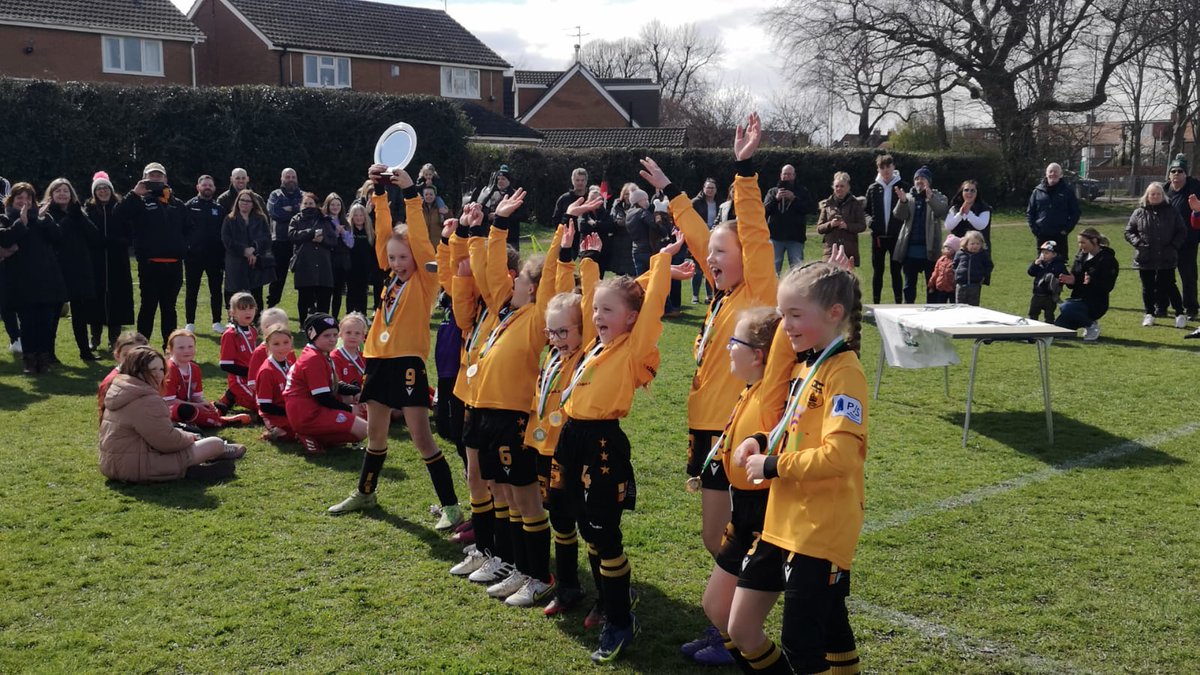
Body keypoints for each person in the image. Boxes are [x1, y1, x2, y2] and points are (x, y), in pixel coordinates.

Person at [641, 112, 777, 662]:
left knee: (733, 537)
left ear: (745, 256)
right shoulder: (722, 297)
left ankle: (734, 627)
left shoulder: (756, 292)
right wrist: (673, 193)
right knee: (713, 535)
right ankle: (724, 623)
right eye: (711, 255)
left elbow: (754, 234)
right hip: (705, 431)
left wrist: (744, 171)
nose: (711, 260)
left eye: (723, 253)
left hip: (736, 432)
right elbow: (699, 236)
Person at [729, 261, 867, 675]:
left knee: (803, 647)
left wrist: (771, 464)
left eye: (794, 315)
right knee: (741, 627)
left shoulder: (845, 373)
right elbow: (794, 425)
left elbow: (839, 456)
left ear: (834, 314)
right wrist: (761, 439)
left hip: (819, 529)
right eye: (782, 313)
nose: (784, 326)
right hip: (781, 521)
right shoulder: (807, 365)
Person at [555, 231, 674, 664]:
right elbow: (594, 294)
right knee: (578, 518)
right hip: (571, 436)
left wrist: (661, 261)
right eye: (595, 309)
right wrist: (589, 258)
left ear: (630, 319)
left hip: (603, 442)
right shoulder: (595, 343)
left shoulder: (631, 349)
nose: (597, 315)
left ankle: (620, 618)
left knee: (605, 532)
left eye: (608, 311)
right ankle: (609, 597)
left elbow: (653, 303)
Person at [326, 165, 461, 530]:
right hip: (378, 361)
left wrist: (411, 194)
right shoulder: (389, 276)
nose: (399, 263)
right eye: (395, 258)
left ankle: (451, 506)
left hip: (407, 364)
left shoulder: (425, 280)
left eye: (404, 258)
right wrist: (380, 193)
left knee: (421, 437)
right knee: (376, 434)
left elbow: (418, 240)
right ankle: (366, 492)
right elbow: (384, 234)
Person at [452, 189, 563, 607]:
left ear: (533, 290)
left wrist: (561, 241)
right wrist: (493, 225)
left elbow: (553, 280)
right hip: (484, 407)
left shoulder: (537, 317)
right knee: (498, 489)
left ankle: (536, 574)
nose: (508, 280)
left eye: (520, 280)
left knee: (522, 495)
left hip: (513, 413)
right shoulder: (504, 310)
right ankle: (506, 560)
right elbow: (488, 268)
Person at [690, 306, 781, 667]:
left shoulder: (774, 392)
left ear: (759, 355)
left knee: (742, 625)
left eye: (734, 342)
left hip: (766, 513)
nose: (727, 347)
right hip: (741, 511)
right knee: (715, 607)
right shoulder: (750, 388)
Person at [529, 226, 600, 616]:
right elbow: (550, 298)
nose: (557, 338)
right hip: (545, 446)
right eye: (551, 332)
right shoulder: (553, 354)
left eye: (564, 332)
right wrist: (563, 254)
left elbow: (587, 304)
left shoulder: (585, 352)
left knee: (587, 523)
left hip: (574, 450)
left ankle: (608, 595)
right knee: (559, 519)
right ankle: (569, 587)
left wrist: (585, 263)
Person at [99, 346, 246, 483]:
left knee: (186, 432)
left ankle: (207, 459)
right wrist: (190, 438)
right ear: (137, 371)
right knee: (214, 442)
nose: (158, 374)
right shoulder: (146, 400)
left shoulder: (120, 390)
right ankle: (213, 454)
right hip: (138, 467)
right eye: (152, 370)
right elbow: (167, 442)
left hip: (112, 464)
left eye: (161, 369)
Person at [116, 162, 187, 344]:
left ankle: (170, 347)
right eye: (151, 175)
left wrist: (184, 249)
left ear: (165, 179)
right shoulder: (139, 202)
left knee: (169, 309)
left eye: (159, 175)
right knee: (148, 307)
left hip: (174, 265)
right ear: (144, 178)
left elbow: (188, 229)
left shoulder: (177, 204)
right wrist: (134, 193)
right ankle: (142, 347)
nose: (155, 179)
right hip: (150, 265)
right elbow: (119, 215)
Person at [0, 182, 67, 375]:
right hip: (21, 281)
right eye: (19, 198)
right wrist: (21, 223)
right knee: (28, 323)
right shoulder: (5, 218)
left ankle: (43, 359)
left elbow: (58, 237)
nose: (24, 202)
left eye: (27, 198)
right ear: (12, 200)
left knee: (45, 322)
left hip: (46, 279)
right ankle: (29, 360)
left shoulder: (42, 218)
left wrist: (44, 220)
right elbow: (4, 239)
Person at [283, 313, 368, 454]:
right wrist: (349, 409)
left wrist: (356, 391)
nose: (333, 339)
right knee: (363, 429)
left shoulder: (320, 353)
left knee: (360, 421)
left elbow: (333, 385)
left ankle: (317, 437)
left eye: (335, 335)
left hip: (311, 409)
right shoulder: (313, 359)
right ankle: (308, 434)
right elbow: (322, 397)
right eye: (327, 336)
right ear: (313, 336)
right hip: (308, 413)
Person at [41, 178, 103, 362]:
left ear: (71, 194)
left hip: (79, 270)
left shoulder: (79, 213)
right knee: (53, 315)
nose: (62, 194)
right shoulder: (46, 213)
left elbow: (95, 236)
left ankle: (85, 351)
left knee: (80, 314)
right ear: (51, 194)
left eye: (65, 191)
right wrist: (71, 218)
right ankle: (49, 353)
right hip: (56, 270)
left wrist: (79, 217)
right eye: (58, 190)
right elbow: (56, 235)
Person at [85, 172, 135, 352]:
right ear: (94, 192)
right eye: (99, 189)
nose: (103, 191)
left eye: (105, 188)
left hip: (117, 261)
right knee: (95, 300)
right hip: (95, 262)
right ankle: (95, 338)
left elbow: (130, 234)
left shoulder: (120, 208)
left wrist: (115, 242)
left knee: (118, 300)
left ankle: (114, 340)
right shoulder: (88, 210)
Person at [1125, 182, 1187, 328]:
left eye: (1158, 194)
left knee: (1170, 285)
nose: (1155, 196)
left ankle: (1179, 313)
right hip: (1145, 256)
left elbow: (1181, 231)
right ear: (1147, 196)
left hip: (1167, 255)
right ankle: (1149, 313)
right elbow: (1129, 231)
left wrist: (1173, 246)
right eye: (1152, 194)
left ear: (1163, 196)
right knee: (1147, 286)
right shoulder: (1139, 212)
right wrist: (1138, 243)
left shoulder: (1172, 211)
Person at [161, 329, 250, 428]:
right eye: (181, 348)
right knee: (184, 410)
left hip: (189, 405)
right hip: (167, 408)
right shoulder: (169, 369)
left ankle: (207, 418)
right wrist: (197, 406)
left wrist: (205, 405)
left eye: (190, 347)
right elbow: (169, 401)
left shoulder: (194, 368)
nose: (186, 350)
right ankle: (221, 422)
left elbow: (196, 398)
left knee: (218, 407)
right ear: (171, 349)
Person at [892, 166, 948, 303]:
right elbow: (899, 215)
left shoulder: (938, 196)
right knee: (909, 287)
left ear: (929, 181)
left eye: (922, 178)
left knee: (932, 287)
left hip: (930, 251)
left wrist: (930, 198)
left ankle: (931, 315)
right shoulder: (908, 197)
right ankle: (908, 314)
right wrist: (903, 202)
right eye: (916, 178)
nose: (919, 181)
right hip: (910, 251)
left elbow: (941, 212)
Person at [1054, 227, 1119, 341]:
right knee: (1058, 329)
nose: (1080, 245)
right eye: (1079, 242)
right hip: (1077, 300)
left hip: (1096, 303)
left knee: (1065, 306)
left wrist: (1092, 282)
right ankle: (1083, 322)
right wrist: (1071, 280)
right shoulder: (1081, 256)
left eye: (1083, 242)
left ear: (1094, 241)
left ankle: (1091, 326)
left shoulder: (1107, 260)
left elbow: (1108, 286)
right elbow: (1076, 277)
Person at [183, 175, 227, 334]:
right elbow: (183, 229)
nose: (207, 187)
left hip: (215, 257)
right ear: (198, 187)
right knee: (191, 290)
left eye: (210, 185)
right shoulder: (188, 206)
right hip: (193, 256)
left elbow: (224, 232)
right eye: (204, 185)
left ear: (214, 188)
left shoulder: (219, 208)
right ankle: (190, 323)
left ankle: (216, 322)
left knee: (216, 290)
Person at [863, 155, 907, 303]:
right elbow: (866, 211)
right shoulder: (873, 188)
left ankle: (898, 303)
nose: (886, 170)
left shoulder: (902, 186)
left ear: (893, 167)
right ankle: (876, 304)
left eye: (888, 167)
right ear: (878, 169)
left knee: (896, 271)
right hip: (878, 238)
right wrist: (870, 222)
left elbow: (908, 210)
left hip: (896, 237)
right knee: (878, 271)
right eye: (882, 167)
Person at [221, 188, 272, 310]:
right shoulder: (229, 219)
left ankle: (256, 321)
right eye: (242, 200)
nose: (244, 203)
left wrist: (253, 249)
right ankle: (233, 320)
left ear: (253, 203)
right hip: (235, 261)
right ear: (237, 202)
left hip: (255, 261)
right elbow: (226, 240)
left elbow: (266, 238)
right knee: (235, 293)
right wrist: (244, 250)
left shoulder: (261, 219)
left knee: (256, 294)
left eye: (248, 201)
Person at [289, 192, 336, 323]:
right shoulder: (296, 219)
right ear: (301, 205)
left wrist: (322, 240)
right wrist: (310, 233)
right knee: (304, 296)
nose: (308, 206)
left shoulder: (324, 220)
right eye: (306, 203)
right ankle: (304, 323)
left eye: (311, 203)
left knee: (324, 296)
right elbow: (292, 236)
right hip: (304, 263)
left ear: (317, 205)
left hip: (323, 264)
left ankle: (324, 323)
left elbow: (333, 241)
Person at [1164, 154, 1200, 320]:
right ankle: (1161, 306)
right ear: (1169, 175)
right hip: (1166, 242)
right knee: (1163, 276)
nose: (1176, 174)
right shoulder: (1164, 191)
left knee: (1188, 276)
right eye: (1174, 171)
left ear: (1186, 174)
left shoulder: (1194, 190)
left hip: (1188, 241)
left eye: (1180, 171)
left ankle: (1191, 308)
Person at [763, 164, 814, 273]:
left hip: (795, 237)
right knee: (773, 269)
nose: (787, 177)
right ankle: (773, 290)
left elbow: (809, 209)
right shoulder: (772, 192)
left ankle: (796, 290)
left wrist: (794, 199)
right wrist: (776, 199)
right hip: (775, 237)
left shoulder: (802, 191)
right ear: (781, 175)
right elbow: (764, 211)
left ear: (794, 176)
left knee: (797, 269)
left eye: (790, 174)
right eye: (785, 174)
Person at [216, 292, 259, 414]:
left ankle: (230, 397)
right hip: (239, 381)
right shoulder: (230, 334)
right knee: (263, 404)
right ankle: (234, 394)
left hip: (252, 379)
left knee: (273, 398)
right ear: (232, 312)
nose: (248, 312)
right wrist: (250, 372)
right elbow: (225, 365)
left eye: (251, 308)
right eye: (242, 309)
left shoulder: (252, 331)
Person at [266, 168, 302, 308]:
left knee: (304, 277)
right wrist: (296, 212)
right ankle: (272, 306)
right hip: (280, 241)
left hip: (299, 241)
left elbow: (307, 214)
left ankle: (307, 309)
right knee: (277, 277)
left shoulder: (303, 195)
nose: (291, 179)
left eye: (293, 176)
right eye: (288, 177)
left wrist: (288, 209)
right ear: (282, 178)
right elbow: (275, 214)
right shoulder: (275, 195)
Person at [815, 172, 867, 267]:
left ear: (848, 187)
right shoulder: (827, 204)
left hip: (848, 249)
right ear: (833, 187)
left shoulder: (856, 204)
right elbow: (819, 228)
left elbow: (862, 226)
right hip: (830, 250)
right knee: (830, 279)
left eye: (842, 186)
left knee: (847, 279)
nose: (839, 189)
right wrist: (831, 224)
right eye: (836, 186)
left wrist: (847, 226)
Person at [255, 323, 296, 441]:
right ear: (267, 346)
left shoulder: (289, 363)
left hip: (289, 408)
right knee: (300, 429)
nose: (282, 348)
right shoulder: (267, 371)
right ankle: (274, 431)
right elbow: (265, 406)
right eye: (276, 344)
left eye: (286, 342)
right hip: (275, 414)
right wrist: (290, 412)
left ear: (291, 341)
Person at [1027, 163, 1080, 255]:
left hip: (1060, 234)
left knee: (1060, 263)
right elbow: (1030, 212)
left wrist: (1066, 230)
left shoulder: (1067, 191)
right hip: (1042, 234)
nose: (1053, 174)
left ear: (1061, 174)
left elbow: (1076, 212)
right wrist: (1035, 230)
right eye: (1050, 171)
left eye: (1056, 172)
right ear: (1046, 174)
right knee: (1042, 262)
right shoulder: (1037, 191)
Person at [98, 330, 149, 413]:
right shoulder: (111, 382)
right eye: (126, 355)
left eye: (138, 354)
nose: (132, 359)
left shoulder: (153, 373)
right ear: (117, 356)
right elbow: (105, 414)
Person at [246, 306, 292, 395]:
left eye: (278, 326)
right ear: (262, 329)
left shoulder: (288, 349)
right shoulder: (259, 352)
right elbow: (253, 383)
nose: (274, 330)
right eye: (269, 327)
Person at [331, 312, 368, 418]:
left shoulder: (364, 356)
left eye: (357, 333)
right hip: (346, 398)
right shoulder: (335, 357)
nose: (353, 336)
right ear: (340, 334)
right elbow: (337, 385)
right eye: (348, 332)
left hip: (361, 397)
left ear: (363, 336)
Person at [324, 193, 354, 318]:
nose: (335, 207)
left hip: (341, 261)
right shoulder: (324, 220)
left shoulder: (345, 222)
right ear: (328, 206)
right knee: (326, 291)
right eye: (332, 205)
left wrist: (343, 233)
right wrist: (335, 232)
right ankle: (324, 316)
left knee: (338, 291)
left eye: (338, 205)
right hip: (327, 259)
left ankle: (335, 317)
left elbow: (351, 243)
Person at [690, 178, 719, 304]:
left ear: (716, 190)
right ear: (703, 189)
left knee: (711, 266)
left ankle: (709, 295)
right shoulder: (695, 202)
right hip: (699, 238)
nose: (710, 190)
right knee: (698, 269)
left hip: (714, 238)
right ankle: (695, 296)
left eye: (712, 188)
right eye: (708, 187)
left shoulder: (720, 203)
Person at [344, 203, 375, 316]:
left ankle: (363, 314)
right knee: (351, 291)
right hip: (351, 267)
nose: (358, 218)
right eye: (356, 215)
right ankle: (349, 314)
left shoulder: (369, 231)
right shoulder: (349, 230)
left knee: (363, 292)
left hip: (365, 268)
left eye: (361, 215)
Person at [945, 179, 992, 250]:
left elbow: (981, 226)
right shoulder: (954, 208)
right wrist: (960, 214)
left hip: (978, 251)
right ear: (962, 192)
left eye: (972, 190)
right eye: (966, 190)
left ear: (977, 193)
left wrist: (968, 213)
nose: (969, 193)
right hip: (958, 251)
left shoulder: (984, 208)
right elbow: (948, 226)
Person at [553, 167, 589, 258]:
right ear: (572, 181)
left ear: (586, 181)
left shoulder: (592, 198)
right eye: (577, 180)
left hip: (588, 237)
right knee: (568, 264)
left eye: (582, 180)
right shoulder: (564, 199)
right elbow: (556, 219)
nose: (580, 183)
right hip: (569, 237)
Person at [1028, 241, 1067, 322]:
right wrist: (1035, 265)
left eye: (1046, 253)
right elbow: (1031, 273)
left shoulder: (1059, 265)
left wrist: (1055, 281)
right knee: (1033, 313)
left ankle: (1049, 331)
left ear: (1054, 254)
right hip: (1037, 294)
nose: (1043, 255)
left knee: (1049, 315)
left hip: (1050, 296)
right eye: (1042, 252)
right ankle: (1032, 331)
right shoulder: (1039, 263)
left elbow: (1064, 277)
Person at [953, 230, 993, 306]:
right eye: (972, 244)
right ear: (966, 244)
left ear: (981, 244)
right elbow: (954, 265)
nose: (975, 246)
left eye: (978, 244)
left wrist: (983, 276)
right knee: (960, 304)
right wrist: (956, 274)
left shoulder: (983, 255)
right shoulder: (960, 253)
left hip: (975, 284)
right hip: (961, 284)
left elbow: (989, 266)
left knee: (973, 305)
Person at [607, 182, 638, 277]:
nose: (628, 196)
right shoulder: (617, 206)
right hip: (619, 244)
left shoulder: (639, 205)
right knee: (619, 277)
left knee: (633, 276)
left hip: (633, 242)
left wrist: (626, 221)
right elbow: (612, 220)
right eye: (626, 193)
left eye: (631, 193)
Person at [927, 235, 960, 304]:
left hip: (952, 288)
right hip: (941, 287)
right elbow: (935, 273)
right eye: (946, 247)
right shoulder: (941, 260)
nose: (947, 250)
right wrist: (931, 284)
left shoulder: (957, 260)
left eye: (950, 248)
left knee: (953, 305)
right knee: (940, 304)